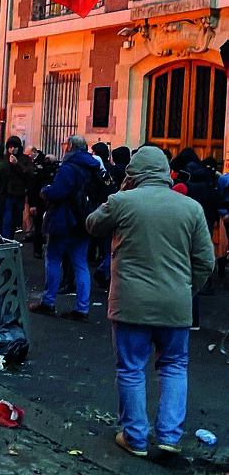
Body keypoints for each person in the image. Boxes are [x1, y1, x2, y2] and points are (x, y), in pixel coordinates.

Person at [85, 146, 214, 457]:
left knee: (130, 368)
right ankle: (169, 435)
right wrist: (187, 289)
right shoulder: (191, 208)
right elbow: (206, 261)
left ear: (133, 175)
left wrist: (120, 191)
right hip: (175, 304)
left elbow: (92, 224)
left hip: (130, 304)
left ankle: (135, 437)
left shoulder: (122, 202)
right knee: (174, 366)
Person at [29, 134, 102, 322]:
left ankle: (48, 301)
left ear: (70, 147)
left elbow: (58, 192)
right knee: (80, 264)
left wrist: (45, 190)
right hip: (85, 220)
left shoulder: (69, 168)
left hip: (64, 220)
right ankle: (82, 307)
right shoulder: (94, 167)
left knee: (53, 258)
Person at [4, 135, 34, 239]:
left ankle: (11, 238)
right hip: (7, 193)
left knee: (15, 219)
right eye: (10, 147)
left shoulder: (25, 159)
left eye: (15, 147)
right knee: (6, 220)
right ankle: (6, 240)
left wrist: (17, 164)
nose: (12, 149)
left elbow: (30, 173)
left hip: (19, 193)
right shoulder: (4, 158)